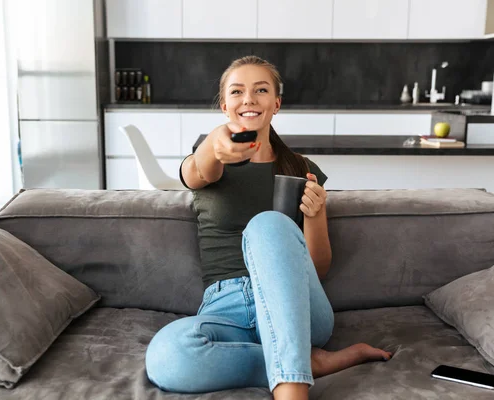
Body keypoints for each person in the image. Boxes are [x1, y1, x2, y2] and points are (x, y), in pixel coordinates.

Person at [145, 55, 393, 400]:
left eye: (261, 90)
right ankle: (305, 363)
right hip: (226, 310)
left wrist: (316, 213)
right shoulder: (210, 162)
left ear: (276, 104)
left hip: (298, 309)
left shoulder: (302, 168)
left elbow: (317, 268)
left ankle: (292, 389)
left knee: (267, 225)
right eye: (237, 91)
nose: (248, 99)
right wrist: (217, 142)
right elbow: (198, 169)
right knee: (167, 357)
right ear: (224, 104)